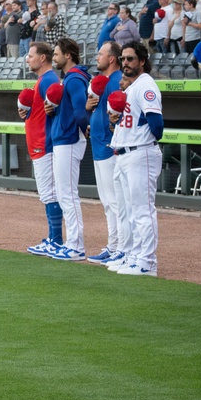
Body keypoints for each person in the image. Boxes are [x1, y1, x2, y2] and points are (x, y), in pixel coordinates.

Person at [107, 41, 164, 276]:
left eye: (130, 59)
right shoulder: (131, 87)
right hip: (124, 153)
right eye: (123, 59)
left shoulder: (145, 85)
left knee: (142, 210)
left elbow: (157, 125)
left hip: (141, 152)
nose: (126, 63)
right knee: (130, 211)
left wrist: (141, 131)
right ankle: (134, 255)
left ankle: (148, 261)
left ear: (142, 60)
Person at [45, 37, 91, 261]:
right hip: (64, 138)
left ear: (68, 55)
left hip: (70, 139)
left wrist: (84, 129)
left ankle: (76, 245)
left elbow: (81, 111)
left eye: (56, 54)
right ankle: (73, 244)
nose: (54, 57)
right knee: (65, 194)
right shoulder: (70, 78)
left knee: (68, 194)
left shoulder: (74, 79)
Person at [22, 41, 65, 257]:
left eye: (30, 55)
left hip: (44, 143)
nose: (27, 59)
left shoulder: (49, 79)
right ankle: (53, 238)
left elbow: (56, 110)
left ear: (42, 58)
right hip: (39, 142)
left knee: (50, 194)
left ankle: (56, 240)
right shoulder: (43, 80)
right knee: (47, 194)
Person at [85, 41, 125, 265]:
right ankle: (113, 246)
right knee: (107, 201)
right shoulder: (103, 82)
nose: (96, 57)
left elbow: (120, 114)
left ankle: (119, 247)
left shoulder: (116, 80)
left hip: (110, 148)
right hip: (99, 146)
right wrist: (89, 109)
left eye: (101, 54)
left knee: (114, 202)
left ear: (111, 58)